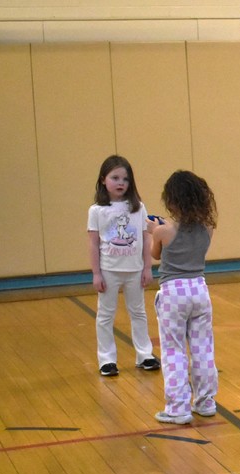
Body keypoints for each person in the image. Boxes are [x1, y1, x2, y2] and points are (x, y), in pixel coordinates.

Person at [150, 171, 218, 425]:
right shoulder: (209, 229)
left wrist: (152, 231)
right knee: (203, 348)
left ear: (172, 201)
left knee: (173, 350)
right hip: (200, 290)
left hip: (173, 293)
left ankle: (178, 407)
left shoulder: (163, 231)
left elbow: (155, 254)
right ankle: (206, 401)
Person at [87, 155, 160, 377]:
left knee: (138, 312)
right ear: (103, 180)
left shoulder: (138, 207)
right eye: (115, 178)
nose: (120, 183)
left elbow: (146, 238)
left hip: (135, 269)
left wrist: (148, 267)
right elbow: (93, 242)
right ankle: (107, 359)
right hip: (109, 270)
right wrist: (96, 273)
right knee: (105, 314)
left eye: (125, 179)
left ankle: (144, 354)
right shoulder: (97, 210)